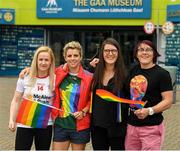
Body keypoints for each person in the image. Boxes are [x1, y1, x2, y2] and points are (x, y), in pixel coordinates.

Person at [125, 40, 173, 150]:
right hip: (131, 127)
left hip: (152, 128)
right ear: (136, 53)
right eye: (141, 50)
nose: (144, 52)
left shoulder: (162, 74)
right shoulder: (132, 70)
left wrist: (149, 111)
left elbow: (168, 101)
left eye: (148, 50)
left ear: (154, 53)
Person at [8, 46, 55, 150]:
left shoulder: (55, 79)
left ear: (51, 62)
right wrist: (12, 119)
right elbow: (16, 100)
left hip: (45, 124)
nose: (43, 63)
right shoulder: (25, 77)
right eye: (40, 59)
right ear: (36, 60)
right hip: (25, 123)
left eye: (46, 60)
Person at [52, 41, 93, 150]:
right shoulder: (58, 72)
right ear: (65, 57)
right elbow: (42, 70)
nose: (72, 58)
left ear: (81, 57)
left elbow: (92, 100)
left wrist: (84, 111)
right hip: (61, 124)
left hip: (80, 126)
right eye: (69, 56)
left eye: (76, 55)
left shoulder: (89, 77)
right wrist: (28, 70)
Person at [90, 38, 129, 150]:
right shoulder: (94, 72)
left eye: (113, 51)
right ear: (102, 53)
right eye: (106, 51)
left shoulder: (125, 75)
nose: (110, 54)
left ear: (118, 53)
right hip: (98, 127)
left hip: (118, 128)